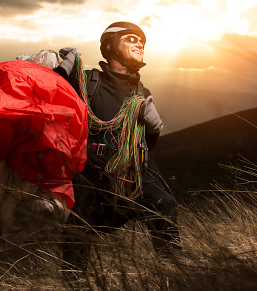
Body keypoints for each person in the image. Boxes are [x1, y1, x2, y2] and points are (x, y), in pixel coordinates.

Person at [53, 21, 181, 274]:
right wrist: (64, 68)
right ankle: (74, 286)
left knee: (163, 203)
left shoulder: (141, 93)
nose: (139, 43)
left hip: (131, 175)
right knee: (77, 231)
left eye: (141, 40)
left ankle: (173, 270)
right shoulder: (88, 82)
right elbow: (50, 93)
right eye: (130, 39)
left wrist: (150, 132)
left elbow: (148, 142)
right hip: (90, 176)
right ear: (111, 47)